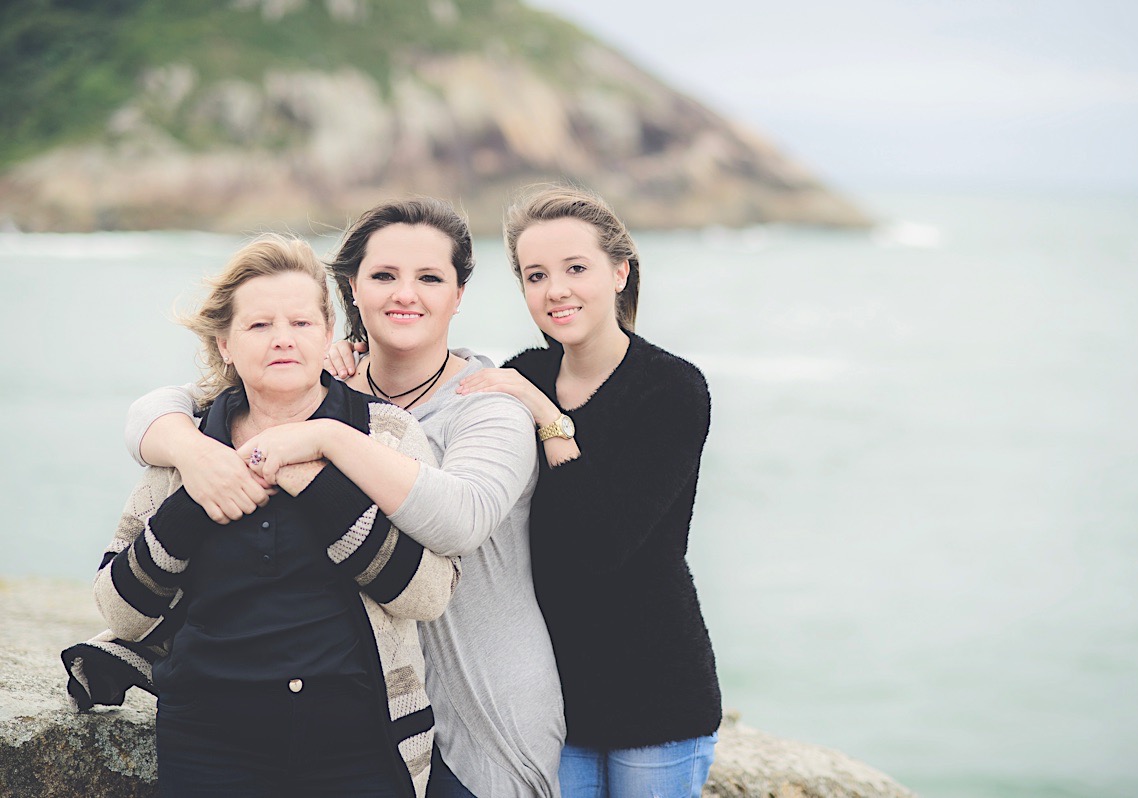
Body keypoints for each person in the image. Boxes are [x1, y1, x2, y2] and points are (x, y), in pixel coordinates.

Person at [122, 199, 565, 798]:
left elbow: (459, 523)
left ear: (459, 294)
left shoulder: (483, 406)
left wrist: (325, 438)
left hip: (475, 702)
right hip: (367, 702)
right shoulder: (318, 383)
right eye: (384, 276)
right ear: (351, 289)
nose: (404, 294)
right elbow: (169, 406)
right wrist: (192, 452)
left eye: (430, 278)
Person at [69, 234, 460, 797]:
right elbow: (119, 612)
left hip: (360, 748)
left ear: (328, 334)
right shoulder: (188, 443)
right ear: (224, 343)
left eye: (301, 323)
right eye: (259, 326)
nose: (283, 339)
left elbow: (428, 595)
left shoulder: (384, 433)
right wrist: (201, 489)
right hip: (209, 745)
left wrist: (312, 483)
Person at [455, 184, 723, 798]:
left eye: (576, 268)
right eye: (535, 275)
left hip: (657, 691)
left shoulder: (672, 389)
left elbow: (601, 542)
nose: (556, 290)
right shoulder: (525, 372)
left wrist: (549, 422)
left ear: (620, 272)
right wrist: (347, 368)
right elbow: (442, 423)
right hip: (548, 696)